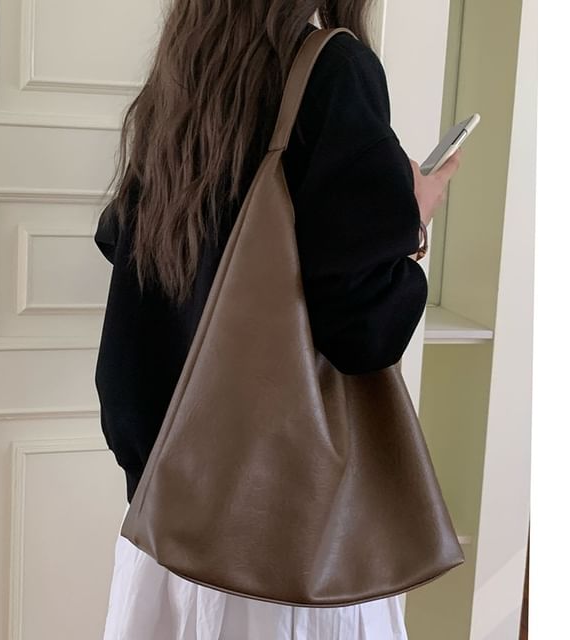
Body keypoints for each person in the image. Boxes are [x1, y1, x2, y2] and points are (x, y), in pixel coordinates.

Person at [94, 4, 461, 639]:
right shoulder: (333, 70)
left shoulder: (188, 69)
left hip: (167, 519)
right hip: (284, 548)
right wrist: (411, 219)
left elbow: (126, 249)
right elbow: (362, 330)